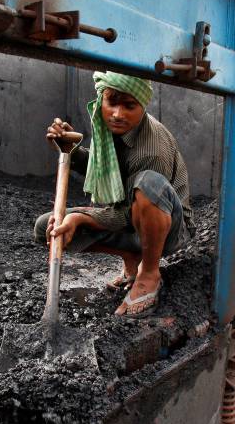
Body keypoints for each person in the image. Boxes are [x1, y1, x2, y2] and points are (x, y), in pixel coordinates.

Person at [33, 71, 194, 317]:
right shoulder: (108, 129)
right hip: (130, 219)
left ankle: (149, 274)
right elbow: (106, 170)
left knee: (148, 184)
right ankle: (132, 255)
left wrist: (82, 217)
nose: (118, 114)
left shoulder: (152, 150)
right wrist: (72, 152)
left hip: (170, 228)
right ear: (101, 100)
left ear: (143, 105)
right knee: (46, 227)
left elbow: (136, 207)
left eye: (129, 106)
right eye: (112, 103)